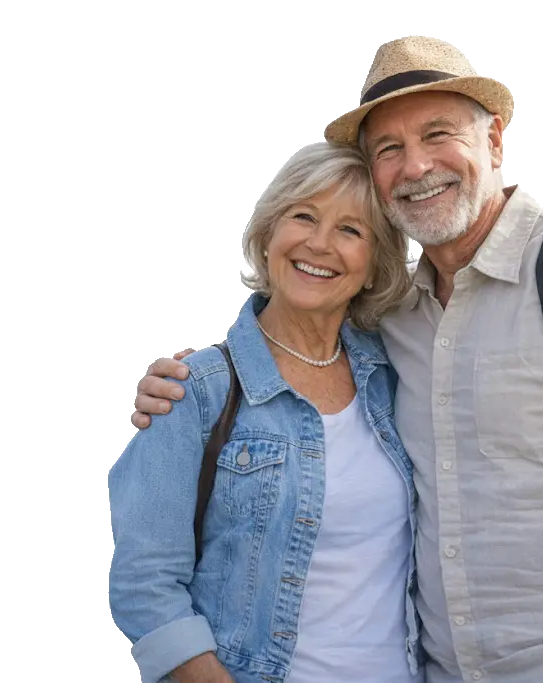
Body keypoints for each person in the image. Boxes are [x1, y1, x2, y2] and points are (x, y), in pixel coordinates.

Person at [130, 35, 543, 683]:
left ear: (493, 141)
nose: (415, 167)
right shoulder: (391, 328)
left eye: (439, 134)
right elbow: (293, 340)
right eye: (389, 149)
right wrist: (194, 384)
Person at [107, 141, 423, 683]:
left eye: (351, 230)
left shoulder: (395, 381)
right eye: (304, 216)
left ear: (376, 265)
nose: (319, 244)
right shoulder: (196, 389)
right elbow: (145, 584)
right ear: (269, 234)